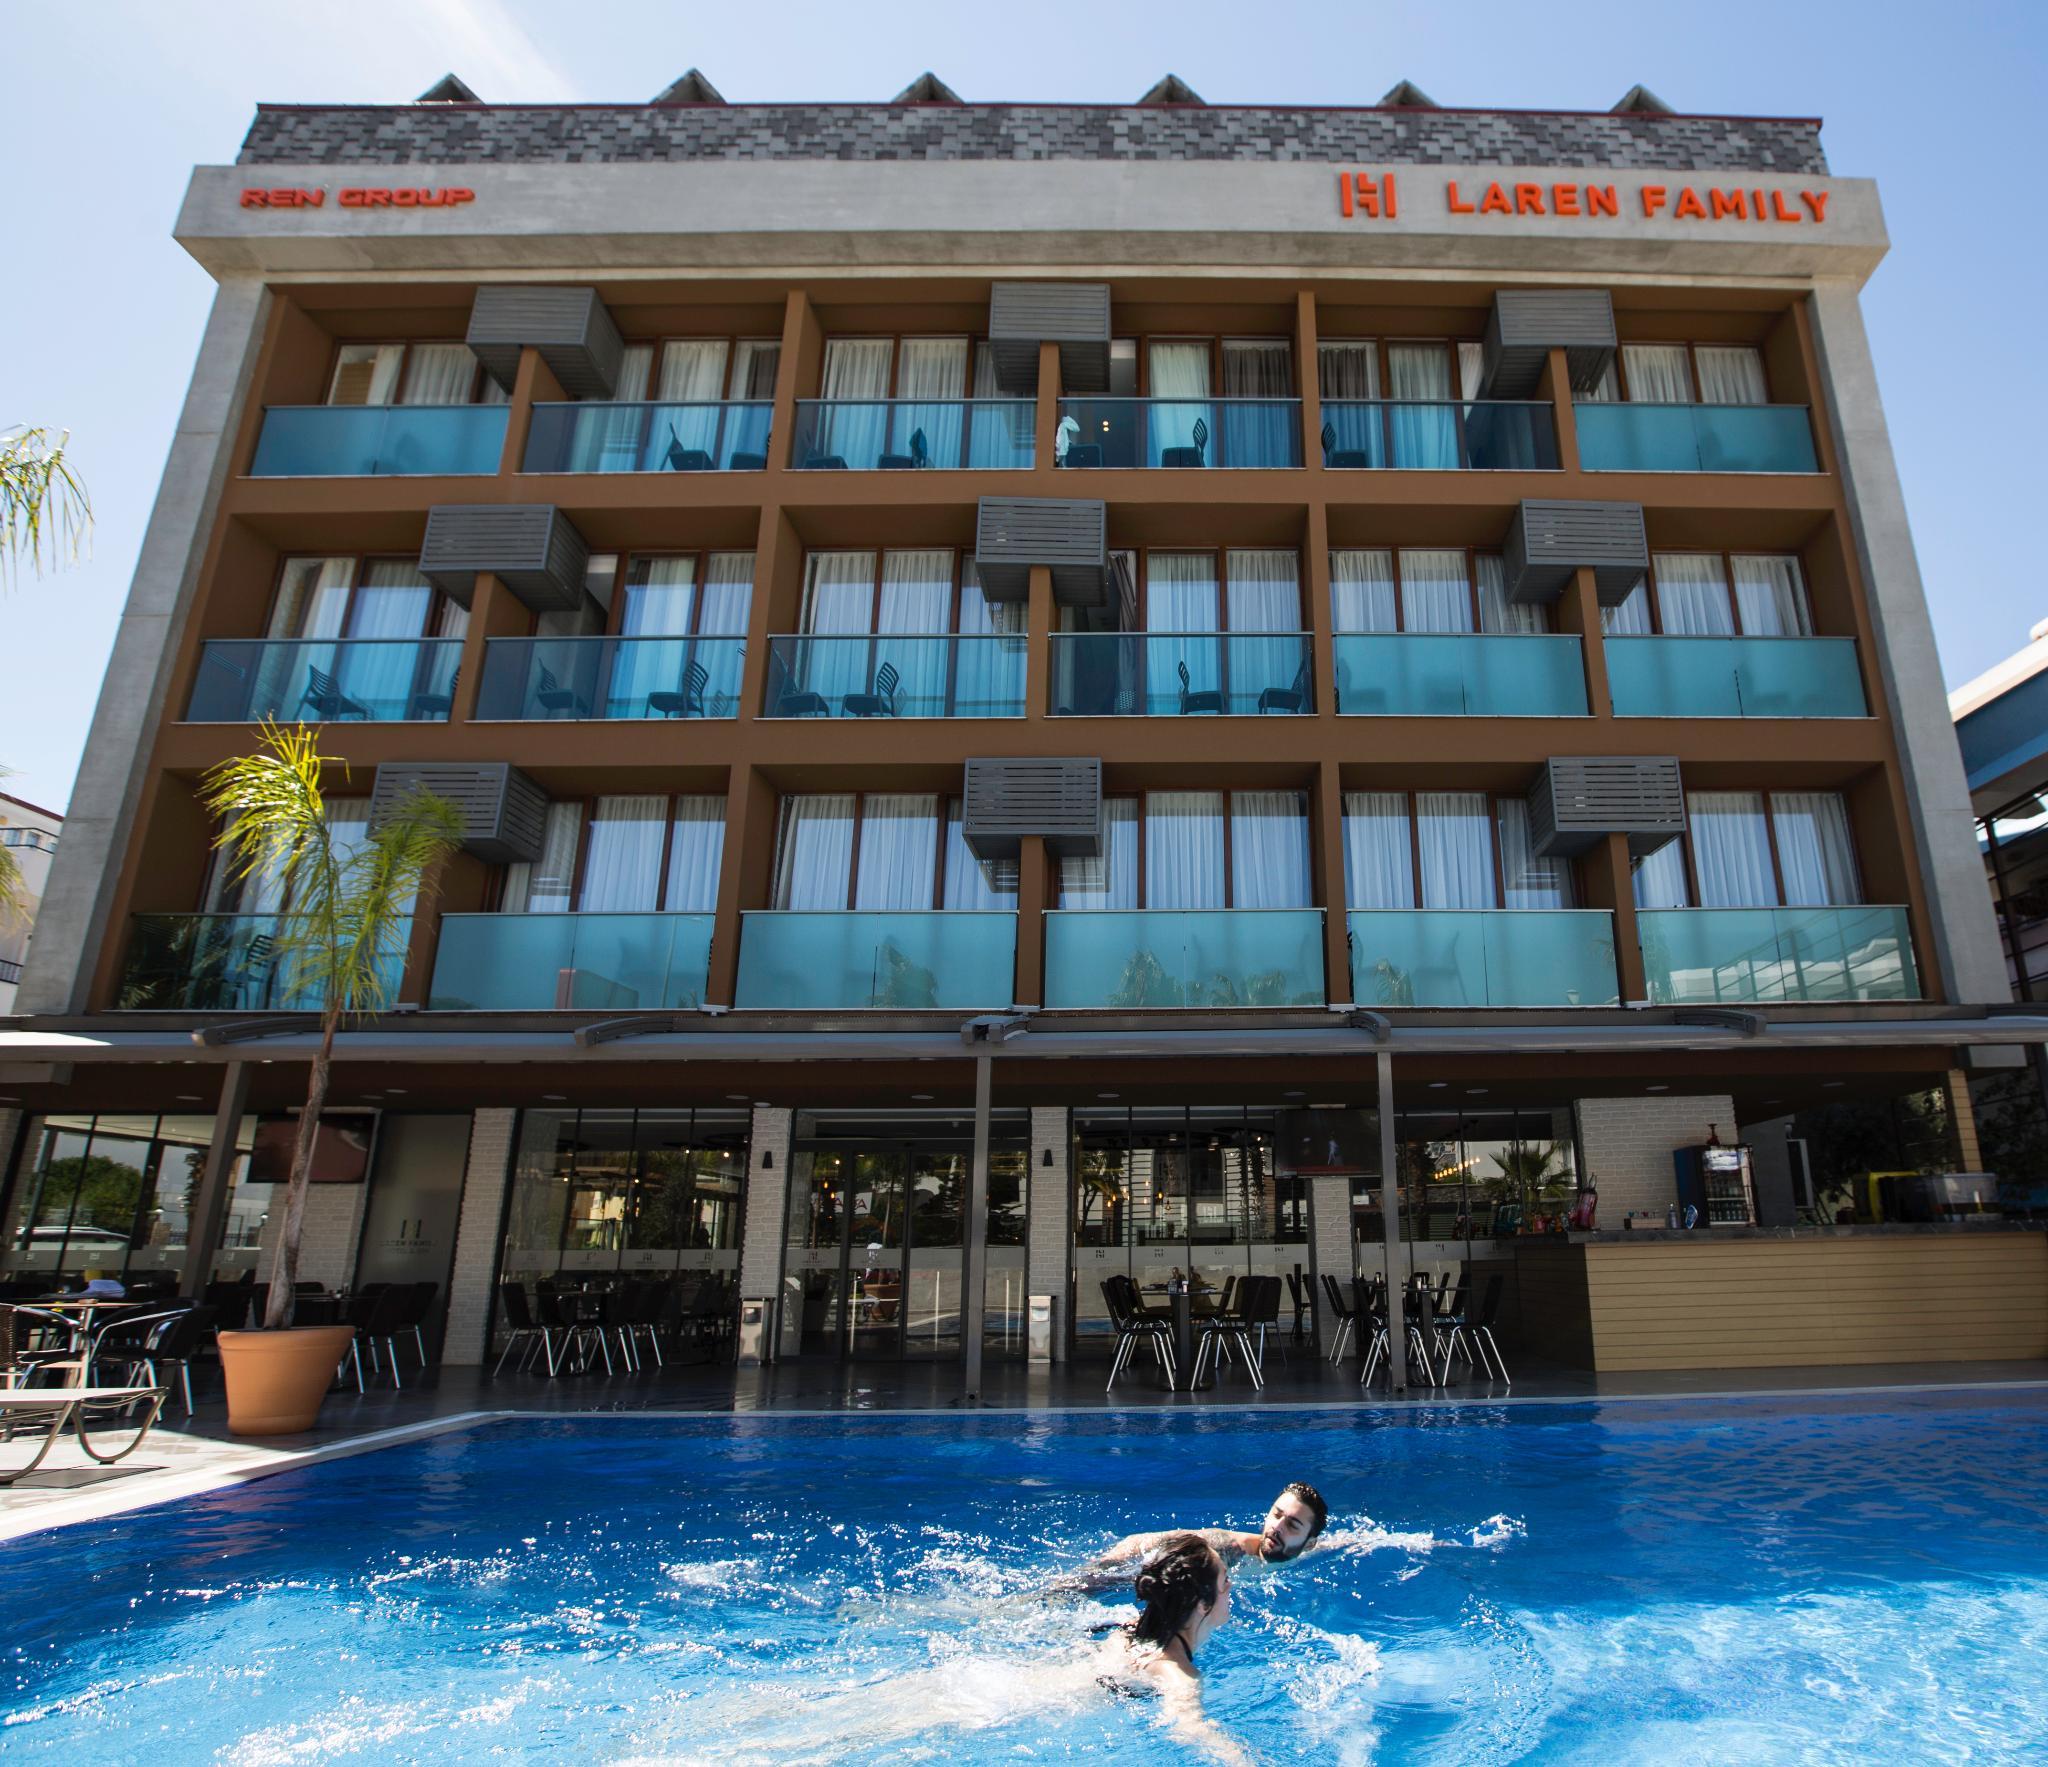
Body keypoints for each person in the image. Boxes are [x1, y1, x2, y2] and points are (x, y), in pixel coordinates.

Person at [1094, 1532, 1247, 1765]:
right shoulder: (1179, 1674)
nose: (1230, 1585)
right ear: (1203, 1604)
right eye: (1224, 1580)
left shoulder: (1127, 1629)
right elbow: (1188, 1729)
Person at [1057, 1481, 1328, 1595]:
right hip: (1141, 1571)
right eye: (1276, 1514)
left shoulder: (1306, 1551)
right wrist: (1100, 1567)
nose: (1277, 1527)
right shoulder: (1227, 1547)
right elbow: (1138, 1542)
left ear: (1309, 1543)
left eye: (1292, 1525)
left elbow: (1337, 1542)